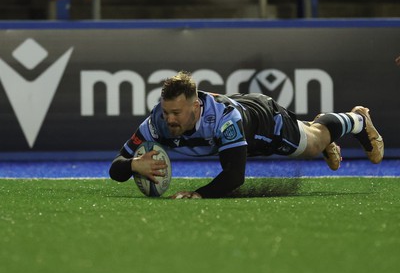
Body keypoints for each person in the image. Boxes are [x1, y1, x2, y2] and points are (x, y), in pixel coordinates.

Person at [109, 71, 384, 199]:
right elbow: (116, 165)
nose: (170, 119)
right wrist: (133, 163)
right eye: (166, 111)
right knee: (312, 135)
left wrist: (199, 194)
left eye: (176, 113)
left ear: (195, 106)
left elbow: (234, 175)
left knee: (313, 143)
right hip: (242, 122)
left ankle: (357, 119)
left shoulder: (225, 121)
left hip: (263, 123)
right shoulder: (157, 121)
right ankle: (324, 128)